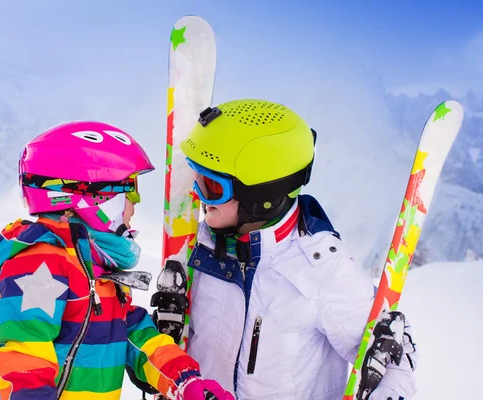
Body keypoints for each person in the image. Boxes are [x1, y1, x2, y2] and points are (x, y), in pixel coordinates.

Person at [159, 99, 419, 399]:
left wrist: (387, 388)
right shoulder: (200, 245)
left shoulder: (322, 269)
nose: (196, 194)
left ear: (260, 197)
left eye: (211, 186)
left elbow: (396, 354)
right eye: (196, 177)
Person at [0, 121, 234, 400]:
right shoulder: (42, 265)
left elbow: (135, 338)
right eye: (129, 190)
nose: (134, 204)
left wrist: (183, 379)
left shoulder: (98, 273)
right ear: (90, 198)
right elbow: (23, 351)